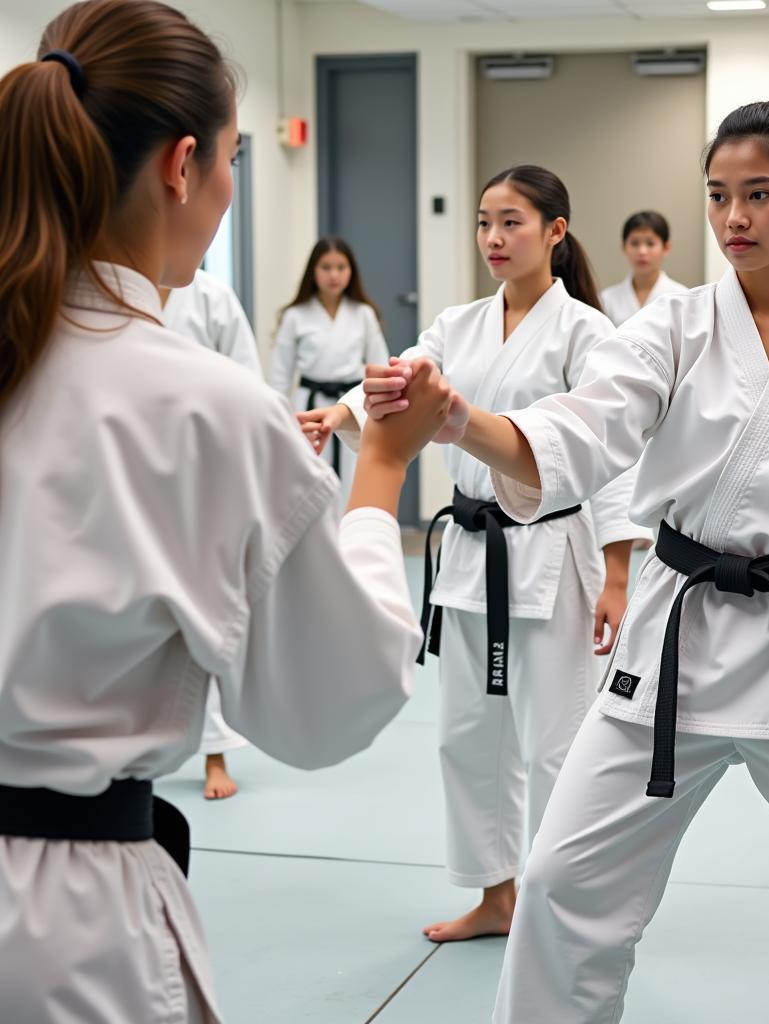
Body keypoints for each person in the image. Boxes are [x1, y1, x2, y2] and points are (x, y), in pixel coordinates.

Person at [366, 101, 769, 1024]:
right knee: (562, 883)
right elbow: (583, 429)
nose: (734, 217)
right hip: (675, 637)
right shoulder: (674, 327)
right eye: (719, 196)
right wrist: (458, 421)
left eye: (760, 195)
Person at [0, 3, 453, 1021]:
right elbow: (332, 699)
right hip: (64, 925)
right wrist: (380, 467)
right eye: (235, 158)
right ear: (183, 164)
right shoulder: (199, 404)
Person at [299, 166, 647, 943]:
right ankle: (497, 897)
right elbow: (398, 383)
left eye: (513, 222)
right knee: (466, 736)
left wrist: (618, 573)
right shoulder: (457, 324)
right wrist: (339, 414)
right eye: (486, 222)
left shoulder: (589, 332)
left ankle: (565, 901)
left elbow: (614, 456)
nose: (494, 237)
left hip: (554, 549)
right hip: (468, 550)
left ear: (556, 231)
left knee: (558, 740)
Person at [160, 268, 261, 799]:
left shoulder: (213, 299)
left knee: (209, 615)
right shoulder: (103, 291)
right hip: (132, 475)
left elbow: (247, 385)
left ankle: (215, 755)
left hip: (202, 475)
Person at [269, 237, 389, 507]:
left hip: (354, 407)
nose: (334, 275)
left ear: (351, 272)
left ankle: (349, 543)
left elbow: (380, 368)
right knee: (309, 476)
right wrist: (280, 419)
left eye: (340, 267)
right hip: (309, 405)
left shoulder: (363, 314)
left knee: (355, 475)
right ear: (313, 271)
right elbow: (280, 374)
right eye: (326, 267)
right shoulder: (295, 316)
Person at [600, 210, 687, 327]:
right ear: (624, 247)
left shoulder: (682, 297)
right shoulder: (606, 300)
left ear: (666, 248)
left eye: (650, 244)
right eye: (635, 243)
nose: (642, 251)